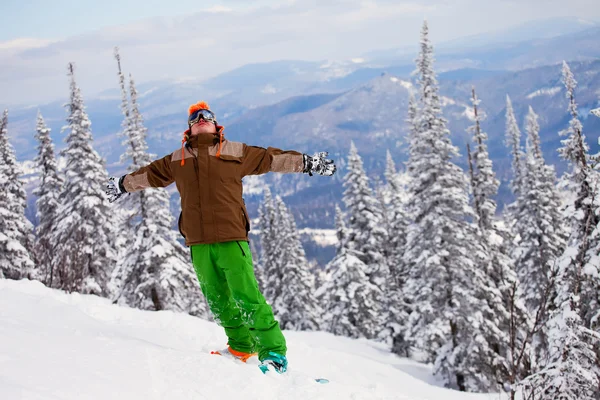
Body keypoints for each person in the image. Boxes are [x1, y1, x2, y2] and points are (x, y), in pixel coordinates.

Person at [105, 101, 336, 374]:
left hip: (231, 237)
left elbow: (273, 159)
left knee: (246, 296)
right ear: (189, 128)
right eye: (195, 117)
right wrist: (122, 184)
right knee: (217, 299)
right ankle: (241, 346)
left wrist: (308, 163)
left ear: (216, 125)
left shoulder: (235, 151)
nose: (201, 119)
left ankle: (273, 352)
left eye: (207, 116)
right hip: (198, 242)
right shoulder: (177, 160)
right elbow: (149, 176)